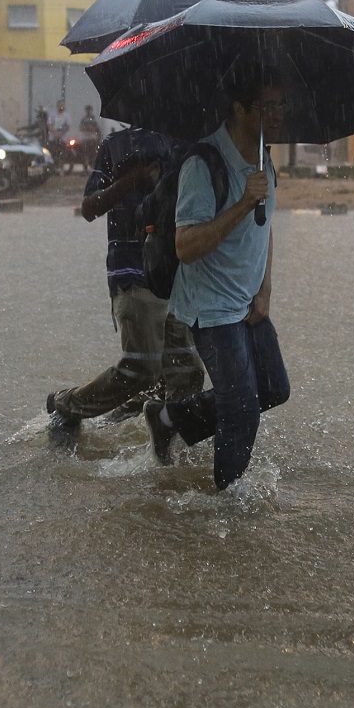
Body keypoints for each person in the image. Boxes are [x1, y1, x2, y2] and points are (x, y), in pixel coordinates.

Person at [146, 74, 291, 492]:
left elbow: (265, 232)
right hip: (209, 307)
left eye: (283, 105)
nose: (278, 115)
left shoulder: (264, 159)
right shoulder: (203, 164)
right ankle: (226, 504)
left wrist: (265, 290)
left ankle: (168, 418)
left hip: (248, 301)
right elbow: (186, 245)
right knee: (242, 407)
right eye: (268, 106)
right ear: (240, 108)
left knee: (273, 388)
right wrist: (245, 201)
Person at [45, 126, 203, 449]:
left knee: (186, 371)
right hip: (131, 271)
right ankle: (68, 404)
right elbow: (89, 207)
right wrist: (131, 180)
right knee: (143, 365)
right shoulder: (116, 146)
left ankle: (159, 434)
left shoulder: (181, 143)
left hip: (175, 273)